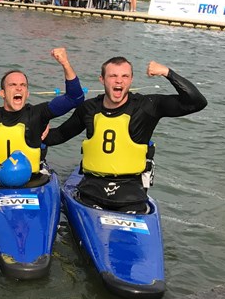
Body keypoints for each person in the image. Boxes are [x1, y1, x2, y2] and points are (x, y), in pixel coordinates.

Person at [44, 57, 207, 212]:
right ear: (102, 79)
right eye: (113, 76)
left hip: (130, 195)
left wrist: (167, 72)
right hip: (91, 191)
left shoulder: (148, 106)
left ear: (131, 80)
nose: (119, 81)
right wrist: (35, 130)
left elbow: (197, 102)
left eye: (125, 76)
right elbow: (60, 135)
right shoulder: (88, 109)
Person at [0, 49, 84, 179]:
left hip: (32, 181)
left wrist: (65, 63)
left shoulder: (38, 114)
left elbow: (75, 98)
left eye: (23, 85)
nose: (19, 88)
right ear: (2, 93)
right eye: (12, 85)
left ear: (27, 93)